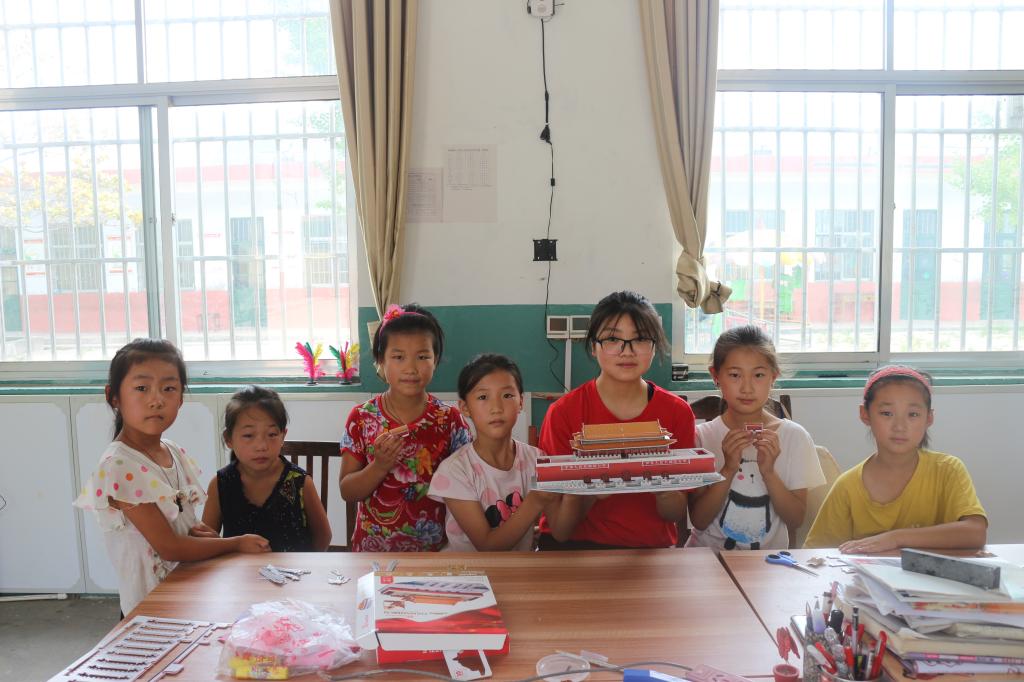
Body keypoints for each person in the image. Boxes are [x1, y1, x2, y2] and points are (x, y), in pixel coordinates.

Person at [74, 339, 269, 616]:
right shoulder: (119, 465)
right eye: (141, 388)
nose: (157, 400)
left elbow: (183, 527)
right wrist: (235, 543)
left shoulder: (172, 451)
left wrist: (205, 535)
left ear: (181, 398)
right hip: (149, 608)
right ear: (114, 397)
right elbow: (169, 547)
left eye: (169, 388)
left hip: (185, 594)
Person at [537, 290, 695, 549]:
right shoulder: (563, 413)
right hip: (576, 551)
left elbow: (675, 514)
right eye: (612, 339)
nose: (627, 351)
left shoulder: (677, 412)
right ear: (593, 346)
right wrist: (591, 490)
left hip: (649, 552)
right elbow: (560, 531)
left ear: (654, 346)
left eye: (640, 339)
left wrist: (663, 488)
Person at [804, 366, 987, 552]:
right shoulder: (847, 486)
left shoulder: (947, 469)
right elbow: (815, 554)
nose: (900, 426)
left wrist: (897, 538)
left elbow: (975, 533)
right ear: (865, 414)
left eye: (913, 414)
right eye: (887, 413)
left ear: (929, 418)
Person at [339, 304, 472, 551]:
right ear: (380, 360)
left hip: (436, 553)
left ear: (436, 360)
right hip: (373, 552)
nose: (411, 368)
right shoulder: (362, 418)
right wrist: (379, 466)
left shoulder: (449, 419)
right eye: (398, 357)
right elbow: (347, 491)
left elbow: (470, 483)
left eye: (422, 357)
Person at [686, 325, 824, 551]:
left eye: (758, 375)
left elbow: (795, 520)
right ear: (715, 376)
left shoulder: (795, 437)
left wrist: (768, 472)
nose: (747, 388)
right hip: (708, 559)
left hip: (767, 563)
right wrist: (728, 468)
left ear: (773, 377)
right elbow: (699, 520)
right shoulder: (701, 437)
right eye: (735, 375)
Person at [428, 354, 583, 550]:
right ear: (465, 408)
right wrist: (535, 501)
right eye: (483, 397)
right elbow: (487, 547)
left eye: (507, 396)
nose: (496, 408)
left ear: (521, 402)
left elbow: (561, 532)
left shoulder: (537, 459)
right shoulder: (455, 471)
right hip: (468, 570)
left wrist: (574, 492)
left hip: (518, 569)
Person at [202, 386, 332, 551]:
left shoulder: (299, 482)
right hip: (239, 568)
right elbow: (206, 541)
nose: (262, 446)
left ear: (283, 436)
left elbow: (323, 536)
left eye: (272, 434)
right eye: (248, 435)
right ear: (229, 439)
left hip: (293, 568)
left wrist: (303, 564)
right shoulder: (221, 484)